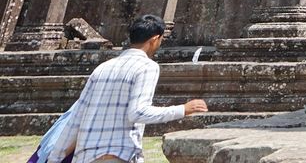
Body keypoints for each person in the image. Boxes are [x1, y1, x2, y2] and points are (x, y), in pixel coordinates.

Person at [46, 14, 207, 163]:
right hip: (117, 155)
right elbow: (138, 112)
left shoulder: (103, 68)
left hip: (86, 157)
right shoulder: (146, 67)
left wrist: (55, 157)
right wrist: (182, 109)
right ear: (155, 39)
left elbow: (76, 118)